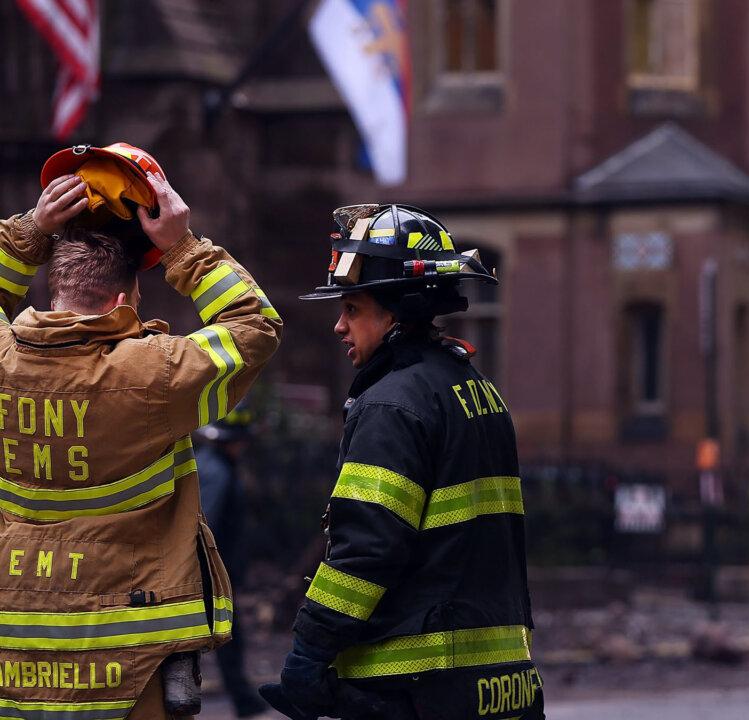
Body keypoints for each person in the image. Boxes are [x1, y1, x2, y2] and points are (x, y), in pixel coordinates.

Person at [0, 144, 282, 719]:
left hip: (14, 655)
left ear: (53, 282)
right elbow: (253, 327)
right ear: (126, 296)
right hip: (134, 662)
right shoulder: (153, 374)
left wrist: (29, 231)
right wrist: (183, 247)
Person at [260, 204, 542, 720]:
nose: (339, 326)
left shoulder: (392, 404)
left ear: (395, 312)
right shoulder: (479, 391)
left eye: (353, 309)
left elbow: (366, 548)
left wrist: (309, 653)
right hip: (503, 684)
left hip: (413, 683)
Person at [194, 401, 269, 718]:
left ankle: (244, 700)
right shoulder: (218, 473)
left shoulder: (213, 465)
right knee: (225, 640)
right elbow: (204, 528)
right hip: (214, 576)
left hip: (217, 574)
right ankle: (243, 701)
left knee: (223, 639)